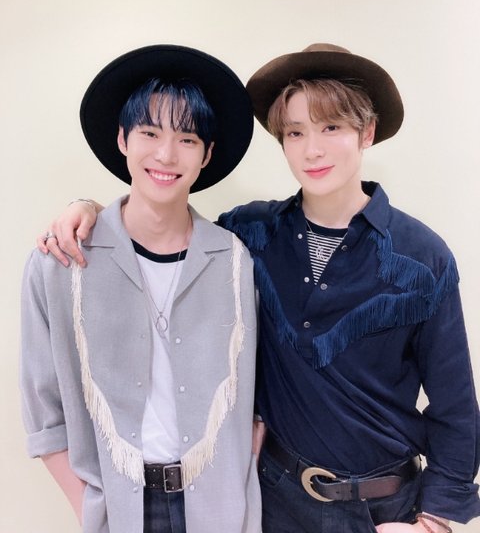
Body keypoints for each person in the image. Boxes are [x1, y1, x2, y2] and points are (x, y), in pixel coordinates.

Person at [37, 44, 480, 533]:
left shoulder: (423, 258)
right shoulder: (249, 236)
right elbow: (162, 220)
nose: (312, 149)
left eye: (331, 127)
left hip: (385, 507)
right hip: (275, 501)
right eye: (295, 132)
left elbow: (456, 406)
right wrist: (89, 210)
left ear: (367, 132)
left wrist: (433, 522)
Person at [21, 44, 262, 533]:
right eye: (150, 133)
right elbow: (44, 417)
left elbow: (259, 402)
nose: (166, 155)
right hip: (120, 510)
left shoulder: (235, 261)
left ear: (207, 154)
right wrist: (92, 507)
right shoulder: (61, 262)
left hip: (219, 510)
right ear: (122, 139)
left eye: (187, 139)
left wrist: (239, 482)